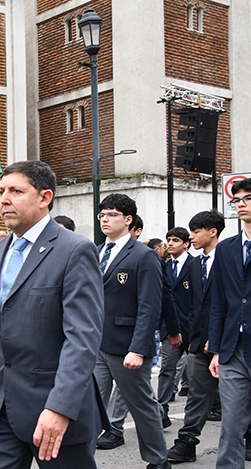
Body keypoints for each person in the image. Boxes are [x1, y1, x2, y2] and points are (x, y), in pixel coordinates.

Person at [0, 160, 104, 469]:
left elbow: (82, 339)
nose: (4, 199)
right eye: (1, 191)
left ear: (44, 197)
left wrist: (60, 407)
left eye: (16, 191)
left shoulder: (75, 251)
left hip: (53, 409)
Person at [93, 193, 170, 469]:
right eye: (102, 214)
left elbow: (149, 306)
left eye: (111, 214)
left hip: (128, 346)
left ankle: (158, 460)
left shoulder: (144, 256)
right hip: (96, 343)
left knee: (142, 406)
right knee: (90, 404)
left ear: (128, 220)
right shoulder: (97, 251)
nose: (105, 219)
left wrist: (138, 348)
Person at [166, 210, 224, 462]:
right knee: (197, 395)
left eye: (196, 231)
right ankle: (187, 442)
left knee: (240, 395)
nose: (192, 236)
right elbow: (193, 306)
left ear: (213, 232)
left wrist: (219, 336)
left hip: (228, 342)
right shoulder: (195, 264)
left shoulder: (230, 258)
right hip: (198, 343)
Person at [209, 178, 251, 468]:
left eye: (247, 198)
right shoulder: (226, 249)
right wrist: (216, 349)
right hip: (233, 348)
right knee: (231, 424)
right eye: (236, 200)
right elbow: (219, 302)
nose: (241, 204)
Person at [158, 227, 192, 425]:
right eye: (168, 240)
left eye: (176, 240)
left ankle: (213, 405)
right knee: (166, 369)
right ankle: (161, 409)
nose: (170, 244)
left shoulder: (195, 265)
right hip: (170, 328)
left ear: (186, 244)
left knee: (197, 373)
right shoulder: (164, 266)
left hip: (192, 328)